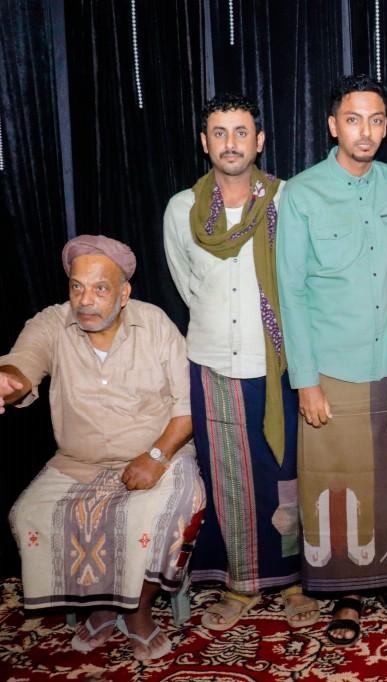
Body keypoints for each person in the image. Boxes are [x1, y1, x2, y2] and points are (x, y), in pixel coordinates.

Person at [276, 75, 387, 645]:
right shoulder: (302, 193)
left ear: (386, 126)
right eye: (353, 119)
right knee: (336, 483)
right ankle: (344, 592)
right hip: (332, 367)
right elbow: (291, 291)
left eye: (376, 119)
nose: (366, 131)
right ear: (332, 125)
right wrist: (306, 381)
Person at [4, 235, 205, 661]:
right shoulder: (52, 323)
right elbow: (22, 364)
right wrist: (8, 382)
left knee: (165, 510)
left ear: (123, 293)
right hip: (78, 461)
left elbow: (189, 405)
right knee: (29, 513)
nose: (85, 300)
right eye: (77, 287)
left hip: (160, 454)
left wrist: (156, 456)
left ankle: (137, 609)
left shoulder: (154, 324)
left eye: (100, 288)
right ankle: (99, 604)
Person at [164, 93, 318, 631]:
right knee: (229, 478)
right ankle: (242, 582)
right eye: (219, 132)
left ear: (260, 140)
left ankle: (294, 580)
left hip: (278, 366)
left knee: (286, 476)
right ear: (204, 143)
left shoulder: (286, 200)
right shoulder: (181, 209)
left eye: (241, 131)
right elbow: (187, 284)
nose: (231, 143)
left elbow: (303, 276)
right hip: (213, 362)